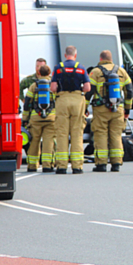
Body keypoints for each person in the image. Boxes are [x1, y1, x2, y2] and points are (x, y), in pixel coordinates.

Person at [87, 50, 133, 172]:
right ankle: (116, 164)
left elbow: (89, 91)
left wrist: (85, 108)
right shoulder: (122, 72)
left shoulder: (95, 72)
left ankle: (101, 164)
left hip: (100, 109)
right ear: (111, 59)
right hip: (118, 109)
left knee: (101, 134)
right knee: (116, 135)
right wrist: (127, 110)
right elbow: (129, 91)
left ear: (100, 59)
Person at [51, 46, 91, 174]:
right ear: (75, 54)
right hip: (77, 100)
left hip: (62, 100)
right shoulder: (81, 68)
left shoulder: (58, 68)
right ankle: (77, 166)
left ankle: (62, 166)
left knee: (62, 133)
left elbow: (53, 87)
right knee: (77, 133)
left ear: (65, 54)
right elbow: (87, 88)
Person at [22, 64, 56, 173]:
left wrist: (25, 118)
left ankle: (32, 165)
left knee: (34, 141)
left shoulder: (33, 85)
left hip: (35, 118)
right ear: (49, 73)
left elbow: (27, 103)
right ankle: (47, 165)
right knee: (48, 141)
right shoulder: (53, 85)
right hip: (51, 118)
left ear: (39, 73)